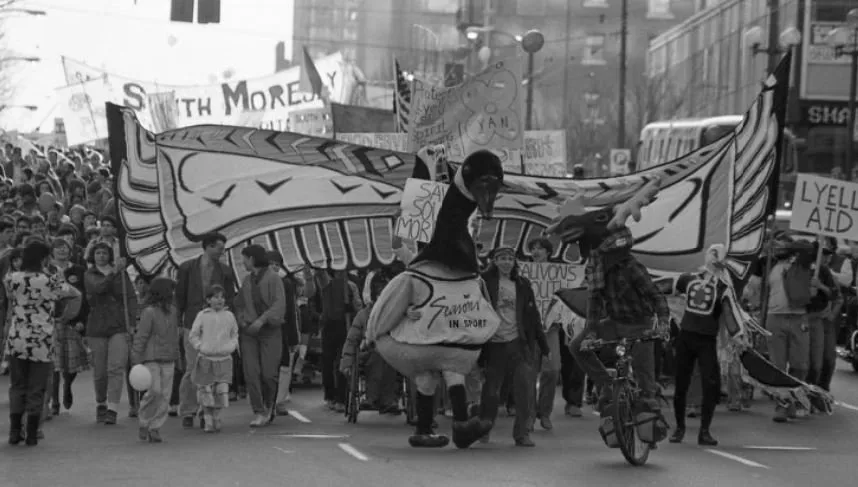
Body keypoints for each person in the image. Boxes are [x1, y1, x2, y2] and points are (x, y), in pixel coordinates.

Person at [4, 240, 81, 446]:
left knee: (17, 386)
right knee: (37, 387)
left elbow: (11, 301)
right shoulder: (50, 279)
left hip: (17, 337)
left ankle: (13, 431)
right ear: (44, 258)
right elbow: (75, 294)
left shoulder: (12, 278)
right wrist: (64, 316)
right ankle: (31, 433)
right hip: (41, 340)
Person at [669, 245, 739, 447]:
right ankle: (680, 427)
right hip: (687, 336)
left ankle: (704, 430)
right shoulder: (688, 279)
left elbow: (730, 314)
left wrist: (738, 336)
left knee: (710, 385)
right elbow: (664, 288)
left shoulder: (724, 287)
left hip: (707, 339)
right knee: (681, 384)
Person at [479, 247, 549, 447]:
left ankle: (522, 433)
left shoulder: (522, 284)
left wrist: (544, 346)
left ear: (515, 262)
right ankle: (484, 429)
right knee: (491, 391)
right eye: (501, 258)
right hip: (494, 345)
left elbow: (533, 316)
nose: (506, 262)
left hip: (519, 344)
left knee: (525, 390)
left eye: (510, 258)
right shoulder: (483, 283)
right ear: (494, 261)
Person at [175, 232, 235, 429]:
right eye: (219, 248)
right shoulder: (186, 268)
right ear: (208, 247)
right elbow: (179, 297)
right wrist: (177, 323)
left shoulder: (225, 271)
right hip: (192, 322)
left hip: (215, 327)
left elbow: (229, 300)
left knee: (211, 371)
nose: (222, 252)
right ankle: (188, 409)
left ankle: (206, 410)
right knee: (192, 368)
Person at [234, 244, 286, 427]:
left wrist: (262, 320)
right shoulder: (246, 280)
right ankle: (258, 410)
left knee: (269, 373)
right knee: (251, 372)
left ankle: (269, 405)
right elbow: (239, 303)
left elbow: (279, 305)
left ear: (252, 259)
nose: (243, 263)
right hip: (249, 332)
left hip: (269, 331)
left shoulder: (274, 279)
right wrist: (241, 320)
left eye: (245, 259)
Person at [84, 242, 133, 425]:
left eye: (105, 253)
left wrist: (132, 320)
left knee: (116, 367)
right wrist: (114, 272)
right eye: (98, 253)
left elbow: (130, 297)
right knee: (100, 371)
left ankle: (113, 407)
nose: (102, 256)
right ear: (93, 256)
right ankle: (101, 402)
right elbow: (99, 288)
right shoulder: (89, 274)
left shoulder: (122, 273)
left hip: (118, 325)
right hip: (96, 326)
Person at [340, 270, 401, 414]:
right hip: (368, 352)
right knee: (377, 357)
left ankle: (388, 399)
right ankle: (373, 398)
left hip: (393, 352)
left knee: (388, 358)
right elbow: (352, 340)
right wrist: (346, 363)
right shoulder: (364, 315)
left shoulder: (398, 313)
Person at [766, 239, 813, 422]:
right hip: (774, 318)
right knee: (777, 366)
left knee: (800, 365)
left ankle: (793, 400)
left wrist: (817, 288)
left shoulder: (809, 269)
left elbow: (831, 293)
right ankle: (782, 405)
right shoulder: (770, 266)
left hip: (799, 319)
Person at [131, 277, 180, 443]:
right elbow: (141, 336)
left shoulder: (173, 311)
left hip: (169, 357)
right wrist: (136, 357)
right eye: (171, 290)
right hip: (151, 357)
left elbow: (175, 335)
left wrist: (177, 356)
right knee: (155, 391)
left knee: (165, 395)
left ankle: (155, 426)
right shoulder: (149, 312)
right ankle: (144, 420)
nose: (173, 294)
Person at [188, 284, 239, 433]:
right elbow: (193, 335)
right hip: (205, 359)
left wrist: (232, 346)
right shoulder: (202, 315)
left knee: (221, 390)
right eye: (216, 297)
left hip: (224, 359)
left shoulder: (229, 316)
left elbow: (234, 334)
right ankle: (208, 417)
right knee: (206, 391)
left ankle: (217, 415)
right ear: (208, 300)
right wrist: (200, 346)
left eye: (222, 297)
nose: (220, 300)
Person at [267, 251, 302, 415]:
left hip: (283, 329)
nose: (274, 266)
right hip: (265, 330)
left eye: (277, 264)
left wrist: (294, 336)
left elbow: (291, 311)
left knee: (284, 367)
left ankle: (279, 401)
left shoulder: (286, 283)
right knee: (267, 367)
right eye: (271, 263)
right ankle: (268, 400)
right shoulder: (256, 282)